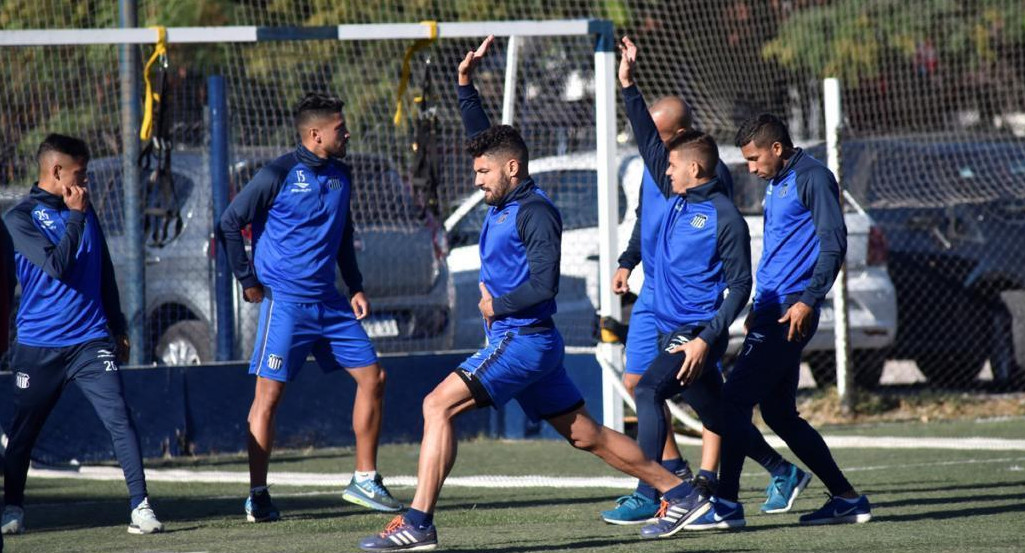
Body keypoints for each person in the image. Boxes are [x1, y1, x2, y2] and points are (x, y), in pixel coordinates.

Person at [357, 36, 695, 552]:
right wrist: (465, 86)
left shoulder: (535, 212)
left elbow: (544, 286)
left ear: (512, 169)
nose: (477, 180)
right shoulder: (502, 192)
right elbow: (486, 140)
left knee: (436, 405)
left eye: (483, 173)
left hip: (522, 338)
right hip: (530, 345)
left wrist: (499, 304)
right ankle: (680, 491)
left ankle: (418, 522)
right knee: (587, 435)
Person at [612, 37, 812, 532]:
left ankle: (668, 493)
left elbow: (740, 285)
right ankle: (780, 472)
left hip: (697, 328)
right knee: (721, 415)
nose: (664, 169)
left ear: (693, 168)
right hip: (666, 321)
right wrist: (629, 86)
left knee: (649, 391)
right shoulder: (675, 191)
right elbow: (644, 140)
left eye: (672, 164)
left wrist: (707, 335)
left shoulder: (719, 211)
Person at [219, 92, 401, 522]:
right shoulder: (276, 174)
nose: (347, 132)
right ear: (316, 134)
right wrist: (247, 280)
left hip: (331, 304)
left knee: (374, 378)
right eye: (340, 128)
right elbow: (229, 222)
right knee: (269, 396)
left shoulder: (343, 174)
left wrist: (354, 286)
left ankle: (365, 478)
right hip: (285, 305)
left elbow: (342, 233)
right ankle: (258, 494)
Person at [709, 113, 871, 527]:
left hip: (790, 313)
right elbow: (782, 252)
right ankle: (847, 499)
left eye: (754, 159)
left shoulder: (813, 177)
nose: (751, 168)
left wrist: (808, 300)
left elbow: (833, 244)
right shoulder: (778, 181)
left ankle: (726, 504)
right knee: (779, 415)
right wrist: (757, 308)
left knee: (732, 402)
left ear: (776, 149)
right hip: (771, 311)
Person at [1, 134, 163, 535]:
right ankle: (13, 506)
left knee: (120, 418)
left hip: (90, 340)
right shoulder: (19, 219)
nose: (86, 183)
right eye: (81, 174)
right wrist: (75, 216)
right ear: (57, 172)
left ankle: (140, 506)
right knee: (24, 430)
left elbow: (103, 271)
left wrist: (118, 325)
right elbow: (57, 266)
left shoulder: (85, 212)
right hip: (39, 345)